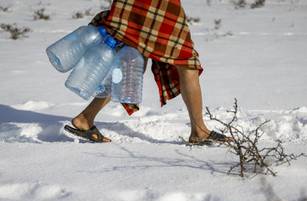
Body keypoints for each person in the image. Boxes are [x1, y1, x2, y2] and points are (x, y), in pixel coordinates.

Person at [65, 0, 227, 145]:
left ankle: (86, 117)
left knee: (133, 62)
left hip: (144, 6)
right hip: (156, 5)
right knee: (186, 62)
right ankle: (199, 131)